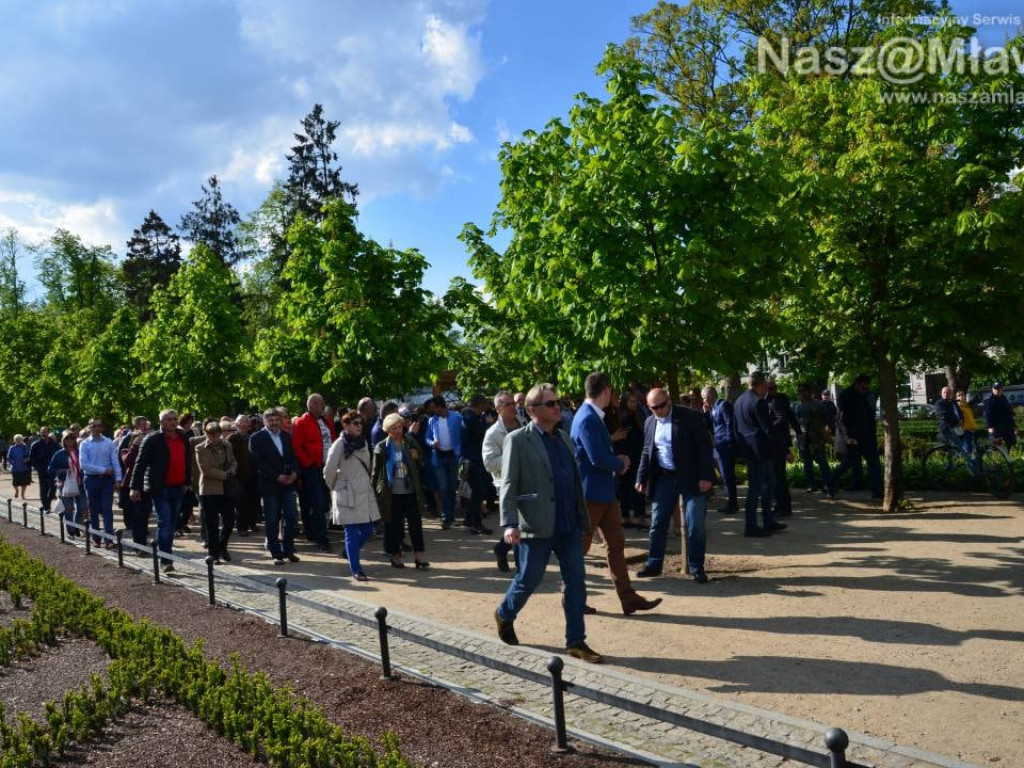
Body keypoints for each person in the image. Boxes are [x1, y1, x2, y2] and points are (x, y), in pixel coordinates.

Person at [494, 383, 601, 663]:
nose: (558, 408)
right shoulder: (517, 440)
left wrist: (584, 519)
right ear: (532, 410)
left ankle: (576, 641)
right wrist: (509, 524)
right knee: (529, 579)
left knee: (576, 582)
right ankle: (505, 612)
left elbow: (574, 481)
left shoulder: (564, 437)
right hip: (535, 523)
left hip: (568, 524)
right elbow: (508, 484)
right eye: (551, 404)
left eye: (558, 403)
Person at [573, 372, 662, 613]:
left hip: (603, 493)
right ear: (605, 390)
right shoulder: (587, 418)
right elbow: (597, 457)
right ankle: (571, 598)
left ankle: (628, 597)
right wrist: (619, 462)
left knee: (616, 544)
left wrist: (615, 461)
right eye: (611, 391)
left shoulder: (592, 416)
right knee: (579, 548)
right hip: (590, 495)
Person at [635, 387, 715, 580]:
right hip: (664, 477)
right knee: (657, 523)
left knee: (695, 524)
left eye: (661, 406)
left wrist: (706, 476)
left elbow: (705, 447)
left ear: (669, 401)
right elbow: (647, 451)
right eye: (653, 407)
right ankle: (654, 564)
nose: (658, 411)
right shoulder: (649, 422)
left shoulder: (689, 417)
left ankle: (696, 566)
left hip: (692, 477)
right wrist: (640, 477)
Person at [130, 410, 194, 572]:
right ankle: (166, 560)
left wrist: (187, 481)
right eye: (170, 419)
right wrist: (134, 487)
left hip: (178, 488)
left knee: (172, 524)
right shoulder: (152, 439)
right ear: (161, 422)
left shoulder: (182, 437)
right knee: (165, 522)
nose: (173, 422)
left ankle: (167, 554)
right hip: (160, 489)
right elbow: (140, 464)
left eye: (175, 419)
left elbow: (188, 461)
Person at [324, 410, 380, 581]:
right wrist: (336, 488)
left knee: (368, 530)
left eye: (361, 423)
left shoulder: (363, 443)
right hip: (346, 494)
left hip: (363, 493)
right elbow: (328, 471)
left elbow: (368, 468)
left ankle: (349, 552)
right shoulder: (339, 444)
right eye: (355, 423)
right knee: (352, 532)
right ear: (346, 425)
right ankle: (356, 569)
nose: (359, 426)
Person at [372, 413, 430, 570]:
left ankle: (419, 556)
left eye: (399, 427)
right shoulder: (381, 447)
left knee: (415, 525)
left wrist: (416, 457)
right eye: (394, 428)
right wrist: (374, 493)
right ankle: (395, 556)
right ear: (387, 430)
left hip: (411, 490)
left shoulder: (409, 442)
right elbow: (375, 472)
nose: (398, 430)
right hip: (391, 494)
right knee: (394, 526)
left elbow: (421, 461)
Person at [250, 407, 301, 566]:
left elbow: (293, 457)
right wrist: (276, 476)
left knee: (291, 516)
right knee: (272, 519)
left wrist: (294, 473)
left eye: (276, 419)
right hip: (270, 484)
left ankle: (289, 550)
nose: (274, 422)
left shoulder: (286, 436)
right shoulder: (257, 438)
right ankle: (276, 552)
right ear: (264, 421)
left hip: (288, 483)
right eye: (270, 420)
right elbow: (258, 462)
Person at [734, 371, 779, 537]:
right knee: (757, 488)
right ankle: (751, 525)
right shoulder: (758, 402)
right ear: (761, 385)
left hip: (749, 449)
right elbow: (767, 429)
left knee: (768, 484)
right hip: (761, 451)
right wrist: (782, 448)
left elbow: (735, 427)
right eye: (766, 386)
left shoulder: (739, 400)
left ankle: (768, 521)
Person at [483, 390, 523, 572]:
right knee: (516, 523)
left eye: (512, 403)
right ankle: (520, 563)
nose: (512, 407)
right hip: (506, 484)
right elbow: (489, 464)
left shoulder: (524, 423)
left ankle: (502, 548)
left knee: (524, 523)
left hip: (527, 480)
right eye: (507, 404)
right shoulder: (492, 434)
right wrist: (511, 456)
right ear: (498, 409)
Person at [292, 393, 336, 552]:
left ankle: (315, 532)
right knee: (316, 503)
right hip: (312, 468)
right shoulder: (301, 422)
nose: (322, 406)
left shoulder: (325, 421)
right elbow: (297, 447)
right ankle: (321, 539)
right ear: (311, 405)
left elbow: (332, 439)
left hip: (326, 466)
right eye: (319, 403)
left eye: (322, 403)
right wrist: (309, 464)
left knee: (324, 503)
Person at [828, 374, 883, 499]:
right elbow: (842, 418)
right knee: (850, 461)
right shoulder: (847, 396)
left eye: (867, 389)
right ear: (857, 384)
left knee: (872, 462)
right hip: (854, 435)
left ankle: (877, 490)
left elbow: (870, 415)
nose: (865, 391)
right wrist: (848, 436)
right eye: (863, 388)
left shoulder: (867, 395)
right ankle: (830, 483)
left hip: (867, 434)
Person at [195, 419, 238, 563]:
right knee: (211, 524)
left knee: (229, 521)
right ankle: (214, 554)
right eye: (211, 434)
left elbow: (233, 461)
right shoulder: (200, 448)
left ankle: (222, 546)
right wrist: (225, 475)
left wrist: (232, 471)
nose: (214, 437)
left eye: (217, 434)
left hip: (226, 489)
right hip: (209, 490)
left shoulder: (227, 445)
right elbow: (206, 470)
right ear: (206, 434)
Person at [79, 419, 123, 548]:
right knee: (93, 510)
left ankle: (108, 540)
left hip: (106, 481)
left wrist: (118, 479)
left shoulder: (108, 442)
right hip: (91, 479)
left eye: (99, 425)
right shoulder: (85, 444)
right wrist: (103, 470)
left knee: (107, 510)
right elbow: (84, 465)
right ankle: (96, 538)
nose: (97, 428)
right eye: (94, 426)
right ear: (90, 428)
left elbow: (115, 462)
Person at [766, 379, 802, 519]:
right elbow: (791, 417)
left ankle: (783, 507)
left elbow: (782, 418)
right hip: (779, 443)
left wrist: (766, 428)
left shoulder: (776, 400)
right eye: (770, 387)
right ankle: (783, 506)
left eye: (773, 387)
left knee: (777, 477)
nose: (772, 390)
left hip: (777, 444)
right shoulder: (775, 399)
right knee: (778, 477)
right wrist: (798, 431)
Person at [425, 396, 462, 529]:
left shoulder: (456, 417)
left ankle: (451, 516)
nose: (432, 409)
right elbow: (427, 438)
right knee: (444, 487)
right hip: (439, 458)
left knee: (452, 487)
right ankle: (446, 517)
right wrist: (431, 443)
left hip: (453, 456)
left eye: (433, 407)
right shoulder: (431, 421)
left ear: (440, 406)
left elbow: (462, 433)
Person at [704, 386, 739, 514]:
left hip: (725, 444)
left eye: (704, 398)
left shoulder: (723, 405)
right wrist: (706, 413)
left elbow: (730, 423)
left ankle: (733, 503)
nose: (704, 401)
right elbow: (711, 426)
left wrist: (729, 441)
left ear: (709, 396)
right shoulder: (713, 408)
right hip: (719, 444)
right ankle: (732, 502)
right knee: (725, 475)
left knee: (727, 474)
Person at [460, 394, 491, 535]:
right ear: (480, 404)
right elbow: (483, 433)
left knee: (475, 492)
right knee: (477, 492)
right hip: (473, 459)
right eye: (485, 404)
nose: (486, 407)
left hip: (473, 458)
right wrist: (488, 423)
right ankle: (476, 524)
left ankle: (469, 519)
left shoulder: (470, 417)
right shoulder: (470, 418)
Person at [615, 392, 647, 527]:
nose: (634, 404)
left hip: (633, 455)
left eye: (635, 401)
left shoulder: (635, 415)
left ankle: (628, 516)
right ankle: (635, 516)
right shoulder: (626, 418)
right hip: (631, 456)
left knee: (629, 487)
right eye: (631, 402)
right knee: (632, 486)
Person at [794, 383, 833, 492]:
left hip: (817, 437)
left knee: (822, 461)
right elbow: (795, 421)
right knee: (807, 463)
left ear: (809, 391)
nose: (802, 393)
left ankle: (828, 484)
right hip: (803, 437)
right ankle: (811, 484)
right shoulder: (797, 405)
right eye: (800, 391)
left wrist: (822, 428)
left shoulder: (817, 404)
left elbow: (826, 418)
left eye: (804, 390)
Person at [48, 432, 85, 538]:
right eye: (67, 439)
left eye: (72, 438)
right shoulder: (59, 454)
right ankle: (71, 531)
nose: (70, 440)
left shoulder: (80, 453)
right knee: (69, 508)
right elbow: (50, 469)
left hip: (80, 483)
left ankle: (77, 526)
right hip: (64, 484)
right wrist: (62, 471)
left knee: (82, 507)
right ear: (63, 440)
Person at [229, 414, 260, 535]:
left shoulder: (253, 437)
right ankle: (242, 527)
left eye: (246, 423)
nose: (244, 425)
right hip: (238, 475)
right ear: (236, 425)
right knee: (241, 503)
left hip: (253, 474)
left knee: (254, 500)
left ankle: (252, 523)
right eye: (241, 423)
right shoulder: (232, 438)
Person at [29, 427, 58, 513]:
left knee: (53, 490)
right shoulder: (36, 445)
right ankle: (46, 507)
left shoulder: (54, 444)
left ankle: (47, 503)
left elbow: (59, 455)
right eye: (42, 432)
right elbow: (32, 458)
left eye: (45, 432)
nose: (43, 434)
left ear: (49, 432)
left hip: (53, 470)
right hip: (42, 470)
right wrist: (38, 467)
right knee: (44, 489)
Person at [983, 382, 1017, 449]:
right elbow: (988, 415)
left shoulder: (1004, 399)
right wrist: (990, 427)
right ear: (992, 390)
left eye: (999, 389)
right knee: (996, 447)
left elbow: (1009, 414)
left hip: (1007, 427)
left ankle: (1010, 458)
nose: (997, 390)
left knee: (1012, 444)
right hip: (996, 427)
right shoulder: (989, 401)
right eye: (995, 389)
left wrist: (1014, 426)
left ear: (1002, 389)